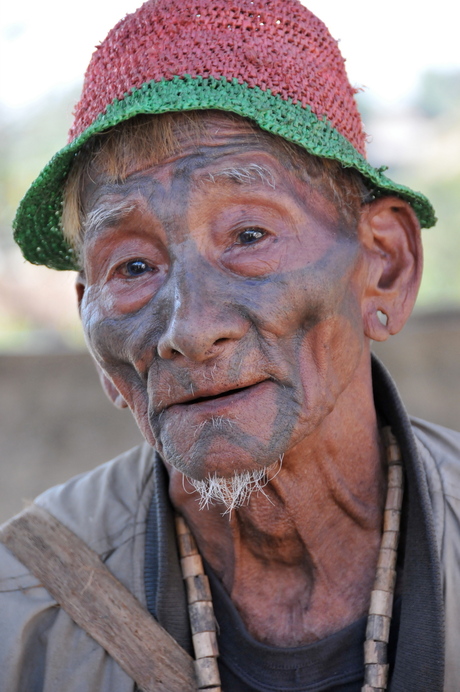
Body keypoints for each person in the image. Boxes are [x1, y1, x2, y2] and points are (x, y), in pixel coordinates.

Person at [1, 0, 459, 690]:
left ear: (383, 266)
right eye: (131, 268)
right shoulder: (22, 608)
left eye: (249, 237)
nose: (187, 329)